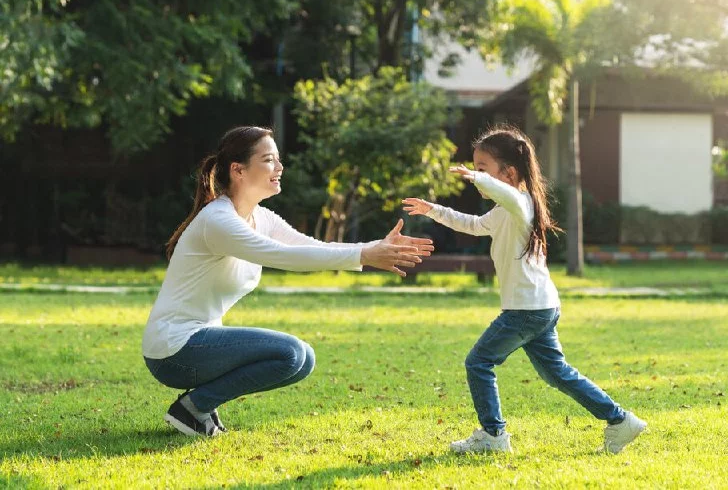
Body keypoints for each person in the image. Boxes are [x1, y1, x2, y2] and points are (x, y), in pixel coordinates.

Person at [143, 126, 433, 437]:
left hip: (198, 342)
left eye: (278, 160)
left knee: (303, 358)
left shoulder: (260, 217)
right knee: (291, 352)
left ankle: (198, 407)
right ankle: (192, 408)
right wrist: (364, 255)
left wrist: (372, 249)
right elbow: (284, 256)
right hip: (174, 349)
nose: (279, 168)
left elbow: (309, 246)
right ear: (238, 170)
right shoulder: (219, 221)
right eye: (269, 160)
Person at [402, 126, 646, 454]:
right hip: (539, 306)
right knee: (557, 374)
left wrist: (475, 179)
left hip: (526, 309)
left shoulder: (520, 203)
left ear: (510, 172)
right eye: (475, 168)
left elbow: (508, 195)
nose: (475, 173)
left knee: (478, 362)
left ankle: (493, 436)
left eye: (482, 167)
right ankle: (620, 420)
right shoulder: (504, 210)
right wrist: (433, 209)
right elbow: (473, 225)